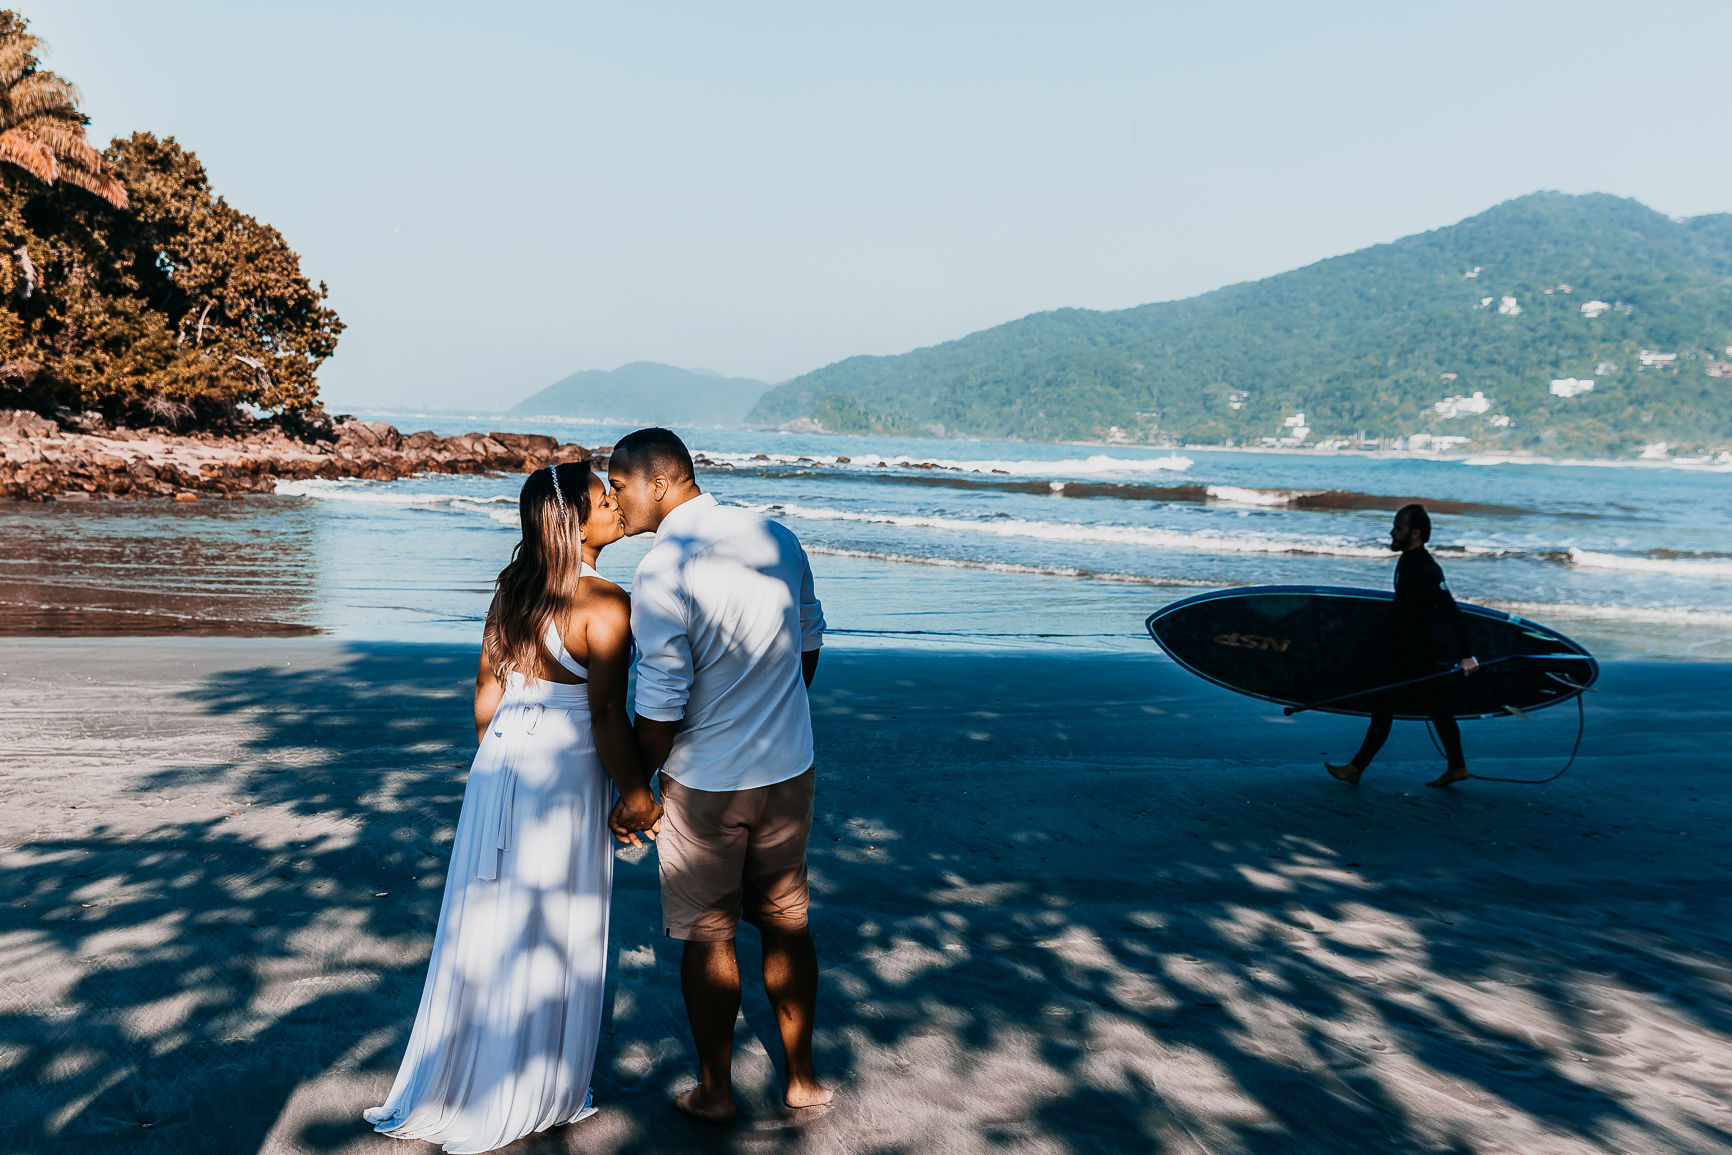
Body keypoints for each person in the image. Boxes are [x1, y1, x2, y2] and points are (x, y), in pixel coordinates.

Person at [365, 461, 658, 1154]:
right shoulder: (607, 602)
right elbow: (609, 716)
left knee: (488, 917)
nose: (616, 503)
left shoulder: (513, 590)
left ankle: (469, 1077)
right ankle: (533, 1085)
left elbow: (484, 697)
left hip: (499, 762)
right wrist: (637, 794)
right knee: (551, 919)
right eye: (602, 498)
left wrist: (495, 772)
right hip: (561, 765)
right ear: (572, 521)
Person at [604, 427, 831, 1123]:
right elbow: (810, 642)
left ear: (661, 482)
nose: (614, 505)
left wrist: (638, 789)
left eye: (620, 488)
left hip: (706, 781)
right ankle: (800, 1081)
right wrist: (773, 714)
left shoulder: (663, 567)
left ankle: (715, 1091)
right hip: (789, 765)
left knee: (710, 934)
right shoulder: (777, 537)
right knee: (787, 922)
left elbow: (661, 699)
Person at [1327, 503, 1480, 789]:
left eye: (1398, 527)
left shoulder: (1426, 569)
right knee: (1436, 711)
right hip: (1406, 651)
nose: (1392, 531)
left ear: (1416, 533)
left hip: (1416, 655)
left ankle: (1355, 769)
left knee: (1385, 709)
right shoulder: (1409, 561)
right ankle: (1457, 767)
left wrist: (1466, 655)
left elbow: (1451, 611)